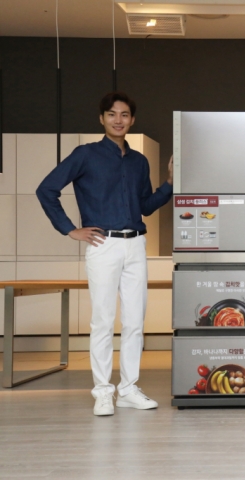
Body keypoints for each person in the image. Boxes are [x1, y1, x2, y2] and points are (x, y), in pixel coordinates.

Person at [36, 92, 173, 416]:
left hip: (135, 244)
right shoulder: (85, 155)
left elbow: (145, 207)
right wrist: (70, 229)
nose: (118, 120)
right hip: (103, 245)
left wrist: (169, 183)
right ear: (102, 119)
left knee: (135, 321)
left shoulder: (139, 161)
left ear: (132, 120)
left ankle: (128, 389)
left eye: (124, 115)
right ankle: (102, 392)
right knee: (102, 321)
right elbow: (46, 189)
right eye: (112, 114)